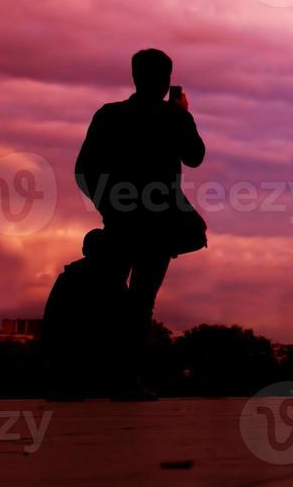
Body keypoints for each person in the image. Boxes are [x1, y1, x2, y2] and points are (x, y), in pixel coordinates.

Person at [74, 48, 206, 400]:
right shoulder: (173, 117)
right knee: (140, 299)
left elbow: (83, 169)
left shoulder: (109, 115)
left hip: (122, 220)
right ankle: (125, 378)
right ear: (166, 82)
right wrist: (183, 116)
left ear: (135, 77)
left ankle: (97, 374)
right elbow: (195, 156)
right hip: (159, 223)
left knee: (109, 296)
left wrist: (109, 207)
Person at [41, 229, 130, 401]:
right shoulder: (114, 282)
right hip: (95, 369)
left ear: (84, 251)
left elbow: (51, 321)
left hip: (73, 369)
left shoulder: (69, 279)